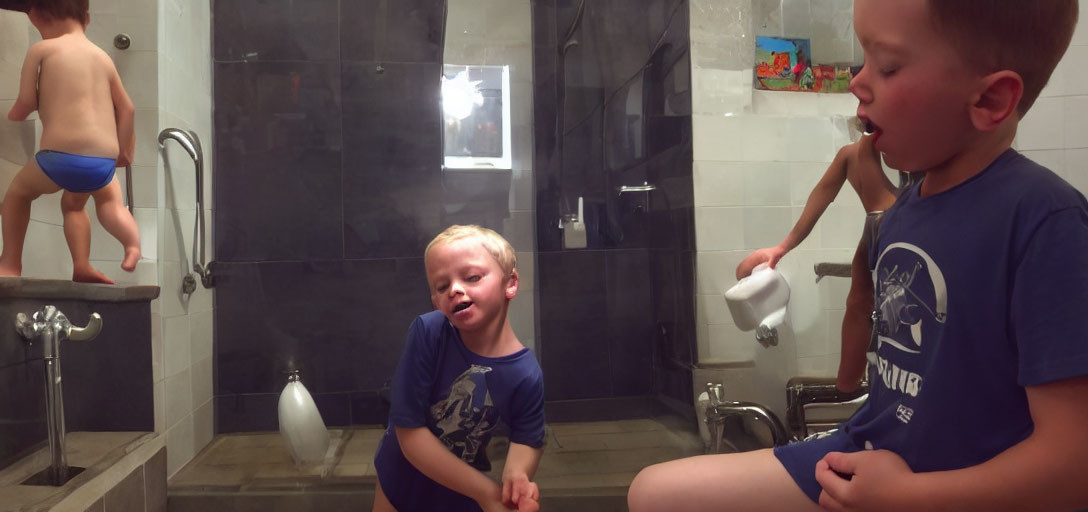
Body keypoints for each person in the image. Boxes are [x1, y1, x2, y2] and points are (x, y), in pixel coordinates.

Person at [629, 1, 1088, 511]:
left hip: (938, 483)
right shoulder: (906, 210)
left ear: (991, 98)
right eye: (863, 60)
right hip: (866, 449)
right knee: (652, 493)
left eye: (887, 66)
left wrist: (909, 496)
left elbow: (1074, 462)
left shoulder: (1045, 222)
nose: (856, 82)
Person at [373, 225, 545, 512]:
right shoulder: (429, 332)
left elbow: (528, 438)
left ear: (510, 283)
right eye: (442, 286)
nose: (454, 288)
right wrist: (487, 493)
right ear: (436, 301)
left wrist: (517, 475)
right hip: (403, 476)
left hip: (463, 487)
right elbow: (409, 432)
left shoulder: (526, 374)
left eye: (472, 277)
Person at [735, 119, 897, 394]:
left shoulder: (907, 153)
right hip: (880, 228)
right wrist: (783, 247)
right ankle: (848, 387)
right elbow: (822, 193)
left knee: (865, 304)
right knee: (859, 302)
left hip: (889, 229)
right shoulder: (854, 155)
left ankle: (850, 386)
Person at [0, 0, 139, 284]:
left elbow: (27, 101)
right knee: (101, 204)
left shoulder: (41, 49)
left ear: (35, 16)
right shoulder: (103, 58)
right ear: (87, 18)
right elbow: (127, 109)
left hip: (58, 159)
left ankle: (10, 262)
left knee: (18, 194)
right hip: (101, 165)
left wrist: (15, 115)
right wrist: (124, 152)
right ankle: (130, 247)